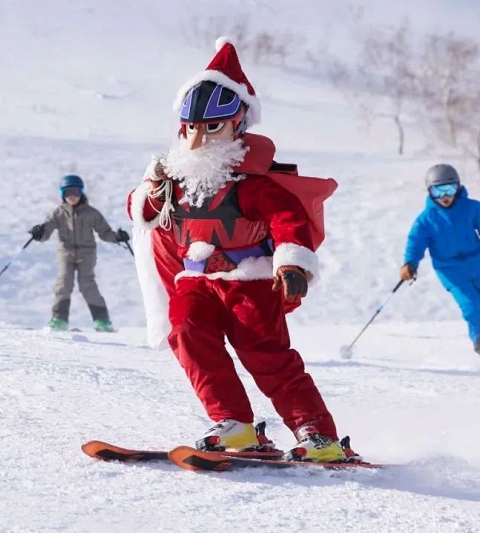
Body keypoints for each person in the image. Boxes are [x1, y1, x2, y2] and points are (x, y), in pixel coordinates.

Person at [127, 37, 358, 463]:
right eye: (191, 128)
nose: (198, 140)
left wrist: (292, 264)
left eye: (211, 127)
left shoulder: (253, 184)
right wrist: (151, 187)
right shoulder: (177, 178)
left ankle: (317, 434)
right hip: (196, 277)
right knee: (188, 332)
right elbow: (142, 212)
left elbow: (286, 220)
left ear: (237, 126)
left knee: (266, 356)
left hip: (248, 278)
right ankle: (234, 424)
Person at [400, 164, 480, 372]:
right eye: (438, 191)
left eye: (449, 189)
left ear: (458, 188)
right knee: (471, 306)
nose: (445, 196)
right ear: (429, 191)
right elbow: (415, 243)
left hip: (477, 263)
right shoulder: (425, 220)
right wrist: (410, 263)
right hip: (450, 269)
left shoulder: (474, 209)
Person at [29, 174, 130, 332]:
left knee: (87, 284)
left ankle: (102, 321)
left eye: (76, 192)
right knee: (64, 282)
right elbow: (46, 231)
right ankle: (59, 319)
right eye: (68, 193)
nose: (72, 197)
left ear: (81, 192)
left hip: (86, 252)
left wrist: (117, 237)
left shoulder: (91, 213)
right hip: (66, 251)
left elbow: (105, 232)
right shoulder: (58, 213)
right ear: (63, 194)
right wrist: (39, 233)